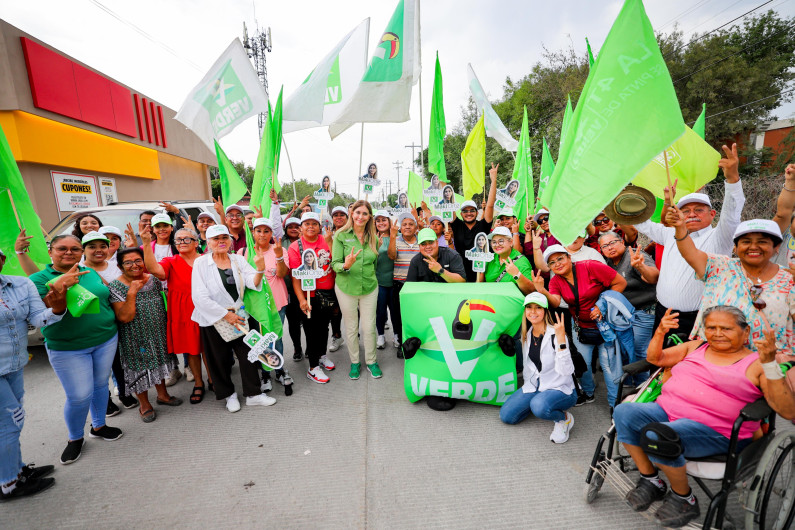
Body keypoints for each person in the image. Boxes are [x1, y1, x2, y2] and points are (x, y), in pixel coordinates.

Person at [613, 306, 795, 527]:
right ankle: (651, 480)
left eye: (726, 328)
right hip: (667, 412)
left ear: (745, 332)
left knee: (658, 434)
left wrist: (770, 365)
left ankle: (684, 498)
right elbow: (656, 358)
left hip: (716, 431)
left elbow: (787, 411)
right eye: (711, 327)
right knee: (623, 412)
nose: (717, 333)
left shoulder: (757, 363)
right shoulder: (696, 347)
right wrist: (660, 331)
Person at [633, 143, 745, 343]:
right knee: (660, 368)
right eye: (686, 210)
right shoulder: (669, 234)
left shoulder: (720, 237)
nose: (691, 214)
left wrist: (732, 179)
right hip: (663, 315)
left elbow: (732, 213)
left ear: (712, 214)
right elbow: (641, 222)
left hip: (699, 320)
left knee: (690, 371)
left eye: (699, 209)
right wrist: (618, 195)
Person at [667, 213, 795, 384]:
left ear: (776, 246)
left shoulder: (789, 279)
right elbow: (689, 252)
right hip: (713, 358)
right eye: (746, 242)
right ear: (735, 247)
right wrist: (680, 227)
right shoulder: (718, 266)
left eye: (762, 241)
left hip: (766, 365)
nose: (753, 247)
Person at [30, 235, 123, 465]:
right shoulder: (38, 279)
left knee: (101, 385)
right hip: (68, 348)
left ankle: (99, 425)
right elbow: (39, 313)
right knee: (80, 395)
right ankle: (75, 438)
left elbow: (106, 296)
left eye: (74, 249)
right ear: (50, 251)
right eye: (62, 248)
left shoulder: (89, 271)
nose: (69, 253)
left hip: (105, 338)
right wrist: (62, 283)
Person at [0, 247, 66, 499]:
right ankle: (9, 484)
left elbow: (38, 318)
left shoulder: (20, 284)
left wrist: (58, 309)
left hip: (14, 365)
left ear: (3, 260)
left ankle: (15, 470)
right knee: (10, 421)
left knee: (11, 422)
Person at [531, 244, 627, 408]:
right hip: (581, 327)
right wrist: (542, 290)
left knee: (609, 368)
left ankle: (615, 406)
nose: (558, 264)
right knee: (584, 365)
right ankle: (588, 393)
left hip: (605, 326)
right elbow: (554, 301)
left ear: (569, 257)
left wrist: (602, 305)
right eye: (552, 263)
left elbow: (620, 282)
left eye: (560, 258)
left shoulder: (590, 266)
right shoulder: (555, 281)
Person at [191, 225, 275, 411]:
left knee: (249, 355)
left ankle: (253, 394)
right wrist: (224, 315)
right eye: (216, 238)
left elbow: (252, 282)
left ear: (230, 240)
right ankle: (229, 395)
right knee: (219, 359)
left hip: (239, 314)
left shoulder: (237, 259)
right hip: (213, 318)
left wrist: (260, 270)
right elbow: (199, 296)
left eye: (224, 237)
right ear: (208, 242)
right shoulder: (201, 263)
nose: (221, 241)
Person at [108, 248, 182, 422]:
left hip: (157, 332)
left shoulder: (153, 280)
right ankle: (144, 404)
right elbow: (124, 317)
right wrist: (132, 292)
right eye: (128, 262)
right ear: (120, 266)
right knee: (138, 368)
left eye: (138, 260)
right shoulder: (116, 286)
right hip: (133, 335)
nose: (134, 265)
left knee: (159, 361)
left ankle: (163, 395)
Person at [142, 226, 213, 405]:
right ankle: (198, 382)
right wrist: (145, 243)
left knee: (209, 347)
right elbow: (153, 270)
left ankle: (213, 379)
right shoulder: (171, 261)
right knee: (192, 349)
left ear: (196, 243)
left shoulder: (206, 259)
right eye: (178, 240)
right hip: (183, 311)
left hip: (206, 308)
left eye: (186, 239)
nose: (181, 242)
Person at [499, 293, 577, 443]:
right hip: (535, 384)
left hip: (560, 387)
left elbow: (566, 371)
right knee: (507, 416)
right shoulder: (526, 334)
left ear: (545, 311)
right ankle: (538, 401)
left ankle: (564, 419)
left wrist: (561, 341)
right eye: (529, 307)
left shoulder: (556, 334)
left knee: (539, 406)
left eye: (538, 308)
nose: (533, 312)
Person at [79, 232, 134, 413]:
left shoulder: (115, 266)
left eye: (102, 246)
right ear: (83, 249)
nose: (98, 250)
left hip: (118, 321)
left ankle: (125, 393)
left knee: (119, 361)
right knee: (99, 368)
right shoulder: (77, 269)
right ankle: (106, 401)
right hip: (92, 324)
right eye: (92, 247)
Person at [239, 217, 293, 394]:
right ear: (253, 232)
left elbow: (282, 273)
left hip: (277, 303)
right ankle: (265, 373)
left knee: (276, 337)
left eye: (266, 231)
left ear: (271, 233)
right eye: (258, 230)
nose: (262, 234)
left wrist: (278, 256)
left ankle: (279, 370)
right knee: (260, 341)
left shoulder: (279, 249)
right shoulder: (243, 252)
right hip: (255, 308)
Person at [331, 200, 381, 380]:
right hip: (346, 288)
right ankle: (354, 362)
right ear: (352, 214)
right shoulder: (341, 235)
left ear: (369, 217)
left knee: (369, 328)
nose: (360, 216)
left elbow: (375, 263)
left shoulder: (373, 237)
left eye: (365, 213)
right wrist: (346, 265)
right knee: (351, 328)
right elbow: (334, 263)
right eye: (357, 212)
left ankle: (371, 361)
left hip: (369, 287)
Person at [287, 212, 337, 383]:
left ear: (319, 227)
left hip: (328, 293)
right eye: (306, 223)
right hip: (310, 295)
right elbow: (295, 278)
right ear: (301, 227)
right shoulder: (296, 247)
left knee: (324, 328)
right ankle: (313, 367)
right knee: (311, 331)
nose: (310, 226)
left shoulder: (326, 240)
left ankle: (322, 356)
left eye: (314, 223)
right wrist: (302, 300)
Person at [599, 231, 659, 371]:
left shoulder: (634, 254)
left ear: (622, 242)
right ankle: (627, 381)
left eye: (613, 242)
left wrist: (641, 267)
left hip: (644, 311)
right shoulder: (607, 263)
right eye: (605, 246)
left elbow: (653, 277)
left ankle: (641, 387)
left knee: (640, 351)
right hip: (623, 315)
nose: (610, 247)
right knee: (625, 350)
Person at [448, 163, 498, 282]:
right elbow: (448, 202)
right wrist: (444, 185)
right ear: (461, 214)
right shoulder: (457, 225)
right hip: (460, 272)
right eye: (465, 211)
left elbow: (490, 205)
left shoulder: (483, 225)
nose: (468, 213)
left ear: (477, 212)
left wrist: (494, 180)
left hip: (480, 273)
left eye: (472, 210)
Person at [388, 212, 420, 357]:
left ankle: (416, 344)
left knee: (416, 316)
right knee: (399, 317)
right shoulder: (396, 240)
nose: (407, 227)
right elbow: (392, 256)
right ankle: (402, 345)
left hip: (418, 285)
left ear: (416, 227)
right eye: (404, 224)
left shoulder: (422, 241)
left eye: (410, 224)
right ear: (400, 227)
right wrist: (393, 237)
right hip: (399, 285)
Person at [477, 227, 534, 295]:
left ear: (511, 242)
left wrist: (517, 275)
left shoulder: (521, 262)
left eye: (501, 241)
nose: (497, 245)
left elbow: (531, 291)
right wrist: (480, 270)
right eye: (494, 242)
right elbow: (480, 286)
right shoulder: (489, 258)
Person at [282, 217, 305, 361]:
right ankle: (297, 347)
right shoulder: (280, 242)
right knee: (293, 322)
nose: (294, 229)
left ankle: (310, 347)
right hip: (289, 289)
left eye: (297, 226)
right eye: (290, 226)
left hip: (307, 289)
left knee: (308, 320)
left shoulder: (307, 240)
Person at [374, 210, 396, 350]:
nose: (381, 223)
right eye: (378, 220)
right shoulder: (371, 238)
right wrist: (375, 246)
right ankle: (381, 335)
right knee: (380, 311)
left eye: (384, 220)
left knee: (395, 311)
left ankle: (397, 335)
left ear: (389, 221)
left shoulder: (398, 237)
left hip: (395, 281)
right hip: (379, 281)